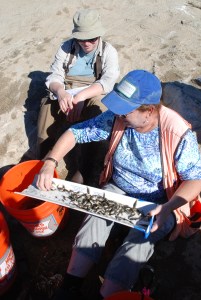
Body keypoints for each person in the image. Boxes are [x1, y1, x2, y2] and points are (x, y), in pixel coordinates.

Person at [36, 70, 201, 300]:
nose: (118, 115)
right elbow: (76, 133)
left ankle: (109, 294)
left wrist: (168, 207)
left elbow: (195, 179)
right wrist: (50, 161)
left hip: (162, 200)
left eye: (125, 111)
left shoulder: (177, 133)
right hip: (120, 187)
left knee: (139, 241)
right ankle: (71, 284)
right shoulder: (117, 118)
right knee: (95, 215)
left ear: (149, 112)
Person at [37, 8, 120, 185]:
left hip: (93, 89)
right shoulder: (66, 48)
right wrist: (61, 93)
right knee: (47, 107)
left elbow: (107, 82)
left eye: (92, 38)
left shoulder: (108, 51)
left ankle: (91, 163)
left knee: (100, 109)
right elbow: (54, 77)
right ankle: (43, 154)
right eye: (82, 39)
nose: (87, 43)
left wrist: (81, 97)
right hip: (67, 87)